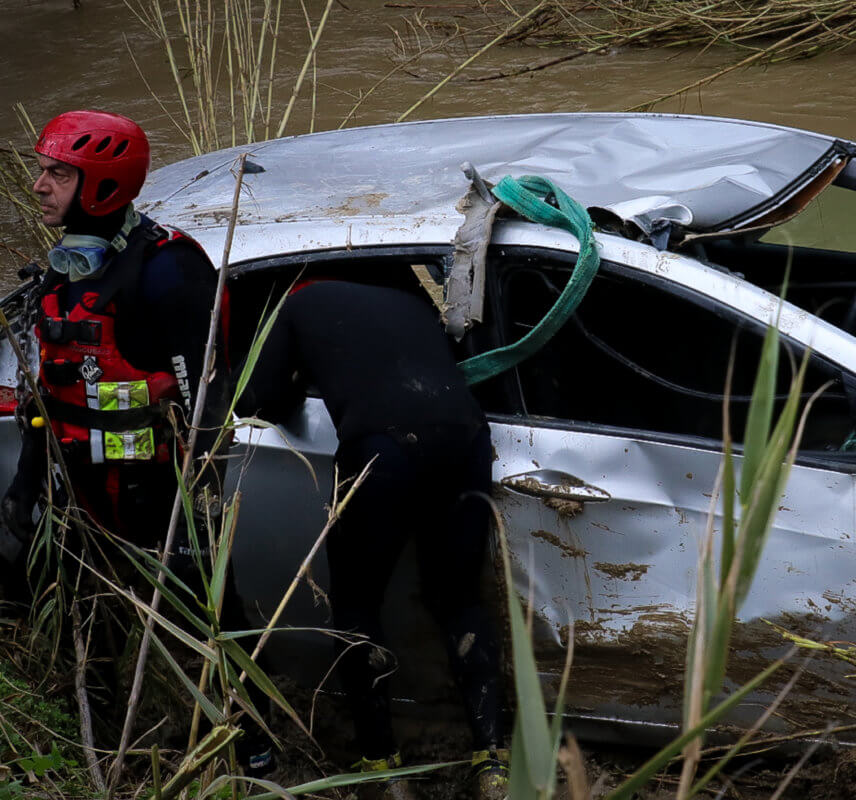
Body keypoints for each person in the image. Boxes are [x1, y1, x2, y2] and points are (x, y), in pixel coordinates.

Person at [0, 110, 268, 771]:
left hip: (161, 496)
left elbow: (207, 399)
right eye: (43, 170)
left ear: (104, 186)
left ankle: (255, 755)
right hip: (85, 502)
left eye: (58, 174)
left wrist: (195, 513)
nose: (38, 186)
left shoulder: (167, 271)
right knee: (89, 631)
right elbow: (44, 393)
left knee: (216, 629)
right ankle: (100, 753)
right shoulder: (66, 269)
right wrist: (23, 491)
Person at [234, 279, 507, 800]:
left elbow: (259, 402)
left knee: (358, 602)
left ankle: (383, 768)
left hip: (384, 448)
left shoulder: (297, 306)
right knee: (461, 601)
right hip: (466, 438)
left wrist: (300, 375)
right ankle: (491, 763)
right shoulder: (410, 301)